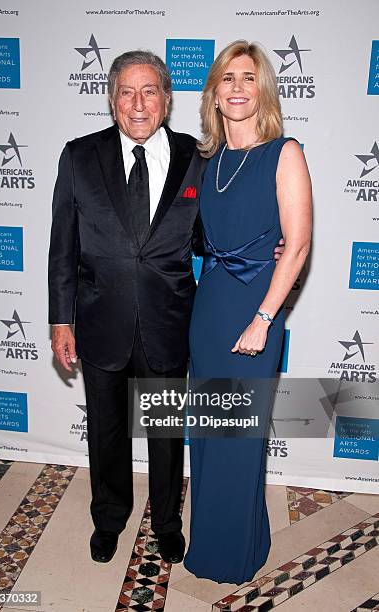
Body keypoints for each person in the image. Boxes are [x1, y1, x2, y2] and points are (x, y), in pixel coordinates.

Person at [48, 50, 284, 567]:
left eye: (149, 90)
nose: (138, 103)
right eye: (127, 92)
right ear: (112, 100)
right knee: (107, 431)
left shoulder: (196, 155)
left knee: (166, 433)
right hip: (100, 322)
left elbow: (215, 233)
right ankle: (109, 519)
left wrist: (268, 246)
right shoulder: (78, 156)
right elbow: (61, 245)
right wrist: (60, 319)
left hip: (171, 322)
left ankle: (167, 523)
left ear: (167, 99)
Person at [183, 40, 312, 585]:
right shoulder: (204, 159)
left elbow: (299, 244)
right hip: (209, 303)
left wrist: (264, 319)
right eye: (227, 78)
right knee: (207, 435)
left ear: (262, 90)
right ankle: (212, 542)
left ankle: (237, 554)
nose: (237, 88)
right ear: (214, 93)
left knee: (239, 436)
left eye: (248, 77)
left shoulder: (285, 152)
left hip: (255, 306)